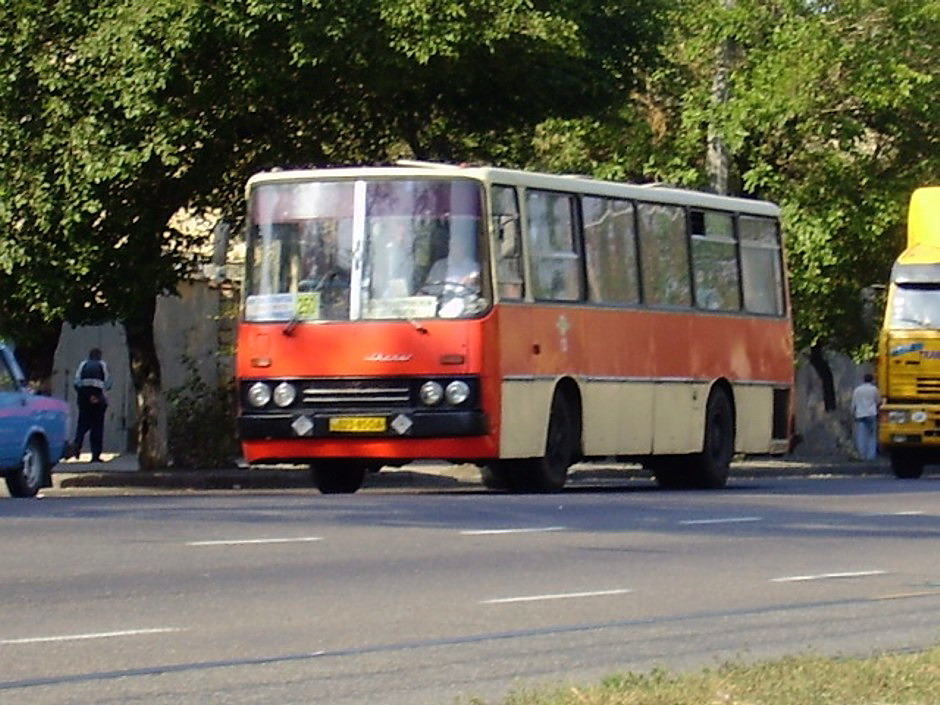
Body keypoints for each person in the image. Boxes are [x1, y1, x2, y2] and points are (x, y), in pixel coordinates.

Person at [70, 348, 112, 462]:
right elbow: (108, 384)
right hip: (98, 399)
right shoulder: (102, 365)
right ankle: (95, 456)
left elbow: (76, 383)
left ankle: (76, 446)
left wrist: (87, 395)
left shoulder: (82, 365)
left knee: (82, 425)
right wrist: (95, 396)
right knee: (97, 427)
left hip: (84, 399)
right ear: (99, 356)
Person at [851, 373, 880, 461]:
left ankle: (862, 455)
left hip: (860, 414)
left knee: (861, 436)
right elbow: (878, 401)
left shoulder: (857, 390)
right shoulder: (874, 389)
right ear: (872, 380)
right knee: (871, 436)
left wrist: (853, 413)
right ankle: (871, 456)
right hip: (871, 414)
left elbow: (854, 403)